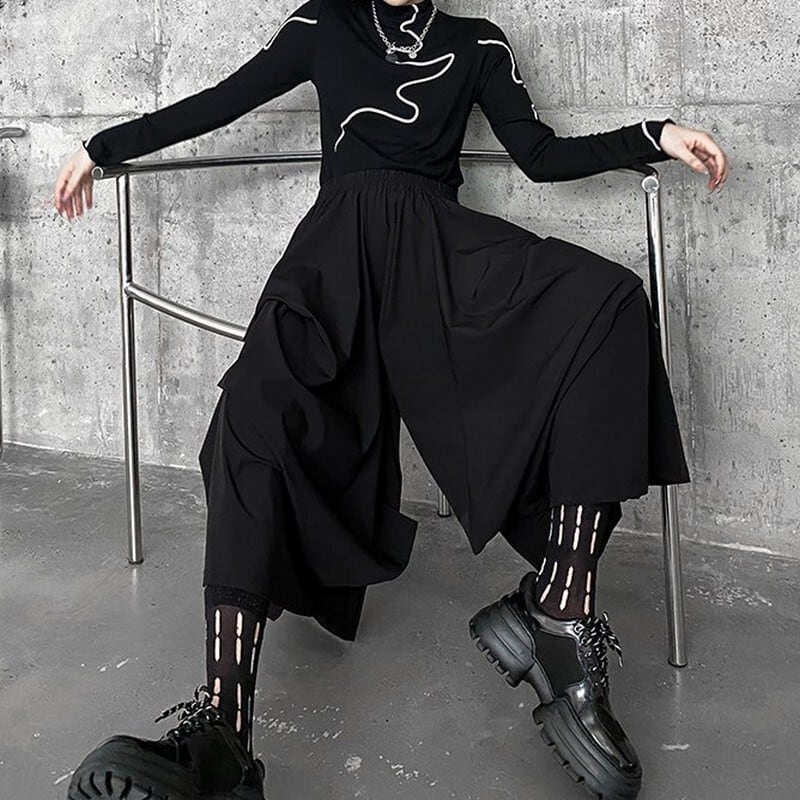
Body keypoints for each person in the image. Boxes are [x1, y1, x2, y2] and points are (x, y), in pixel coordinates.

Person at [54, 1, 727, 798]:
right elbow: (223, 100)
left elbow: (538, 154)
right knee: (250, 422)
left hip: (436, 259)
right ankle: (223, 739)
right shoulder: (324, 25)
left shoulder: (477, 43)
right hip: (330, 264)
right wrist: (100, 149)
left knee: (606, 303)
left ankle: (559, 604)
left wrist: (653, 134)